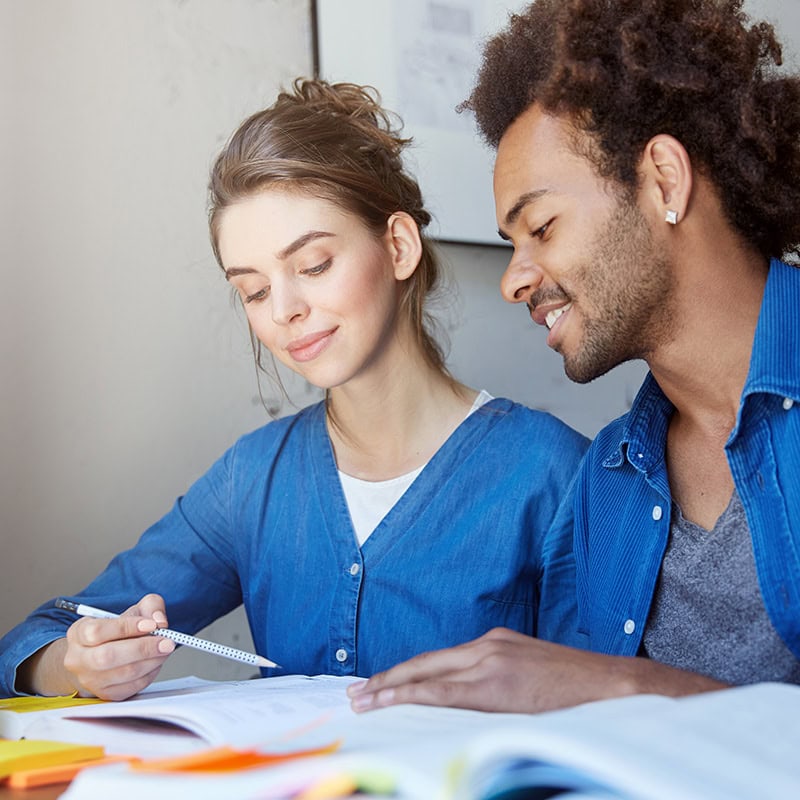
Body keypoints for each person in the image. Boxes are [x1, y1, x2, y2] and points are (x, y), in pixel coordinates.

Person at [0, 78, 588, 701]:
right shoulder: (250, 480)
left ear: (398, 246)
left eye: (313, 266)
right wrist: (75, 663)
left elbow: (610, 719)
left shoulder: (553, 474)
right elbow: (43, 635)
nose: (283, 309)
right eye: (253, 290)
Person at [347, 0, 800, 715]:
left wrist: (626, 685)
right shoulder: (610, 480)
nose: (513, 279)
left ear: (663, 180)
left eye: (541, 227)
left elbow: (602, 689)